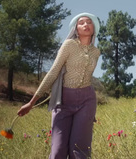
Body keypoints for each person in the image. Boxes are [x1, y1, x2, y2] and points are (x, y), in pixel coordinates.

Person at [17, 12, 101, 159]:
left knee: (79, 150)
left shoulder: (96, 52)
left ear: (94, 27)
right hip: (63, 100)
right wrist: (31, 103)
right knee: (58, 151)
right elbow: (53, 72)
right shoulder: (69, 45)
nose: (86, 25)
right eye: (81, 23)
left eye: (89, 22)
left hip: (87, 101)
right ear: (76, 28)